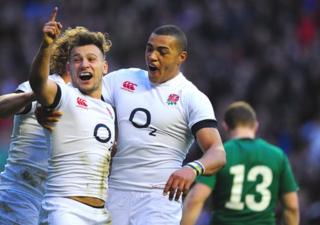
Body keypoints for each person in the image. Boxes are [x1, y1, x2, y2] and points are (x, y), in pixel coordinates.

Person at [101, 25, 226, 225]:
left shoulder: (191, 97)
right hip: (115, 192)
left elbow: (218, 152)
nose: (152, 56)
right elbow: (82, 101)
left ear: (181, 57)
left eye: (162, 51)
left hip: (158, 198)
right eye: (149, 48)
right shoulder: (123, 79)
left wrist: (193, 169)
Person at [0, 26, 89, 225]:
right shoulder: (46, 87)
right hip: (14, 201)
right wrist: (35, 94)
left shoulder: (88, 105)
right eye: (81, 58)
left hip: (40, 210)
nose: (87, 66)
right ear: (67, 61)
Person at [29, 7, 115, 225]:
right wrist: (47, 46)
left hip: (100, 214)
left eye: (91, 58)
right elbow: (39, 84)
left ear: (104, 67)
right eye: (77, 59)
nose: (84, 64)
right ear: (70, 67)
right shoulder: (65, 95)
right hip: (65, 210)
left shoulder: (109, 110)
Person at [181, 101, 300, 225]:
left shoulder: (218, 155)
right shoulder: (277, 155)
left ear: (225, 126)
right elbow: (292, 207)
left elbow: (195, 199)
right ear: (256, 126)